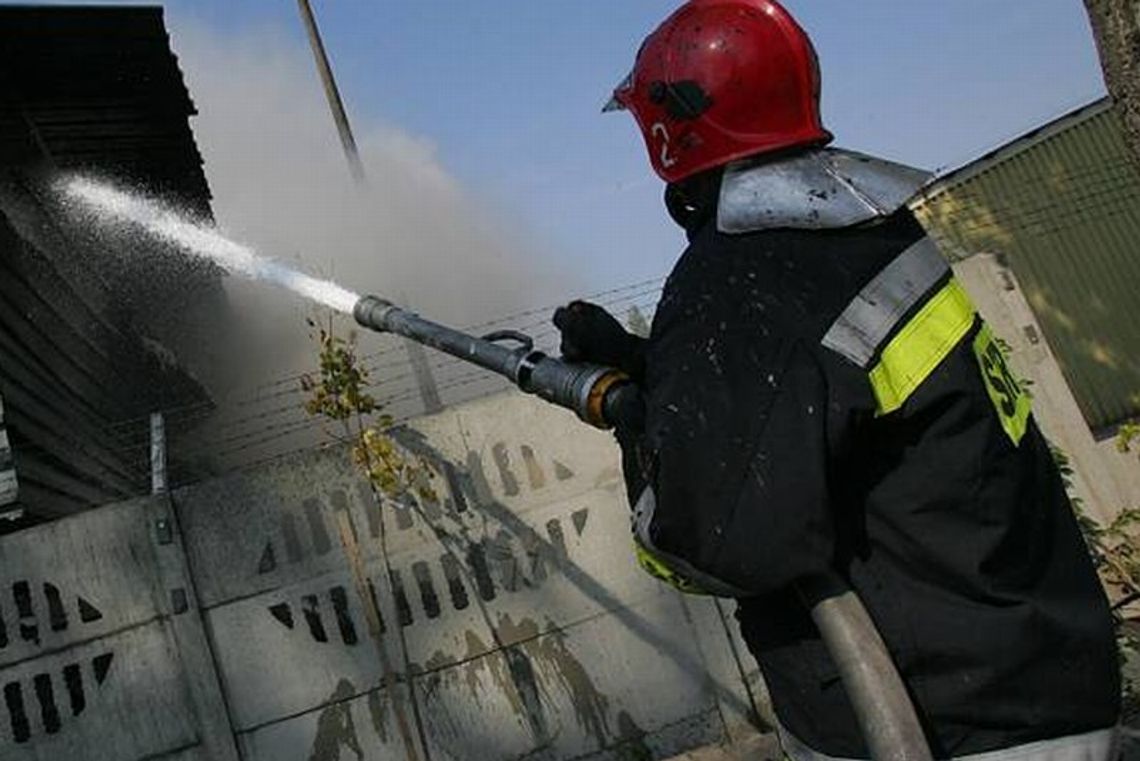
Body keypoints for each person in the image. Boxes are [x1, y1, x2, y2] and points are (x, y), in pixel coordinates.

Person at [552, 1, 1121, 758]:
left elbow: (707, 543)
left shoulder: (743, 275)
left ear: (669, 131)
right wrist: (654, 365)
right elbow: (816, 397)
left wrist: (637, 422)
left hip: (943, 726)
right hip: (1039, 679)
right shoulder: (864, 231)